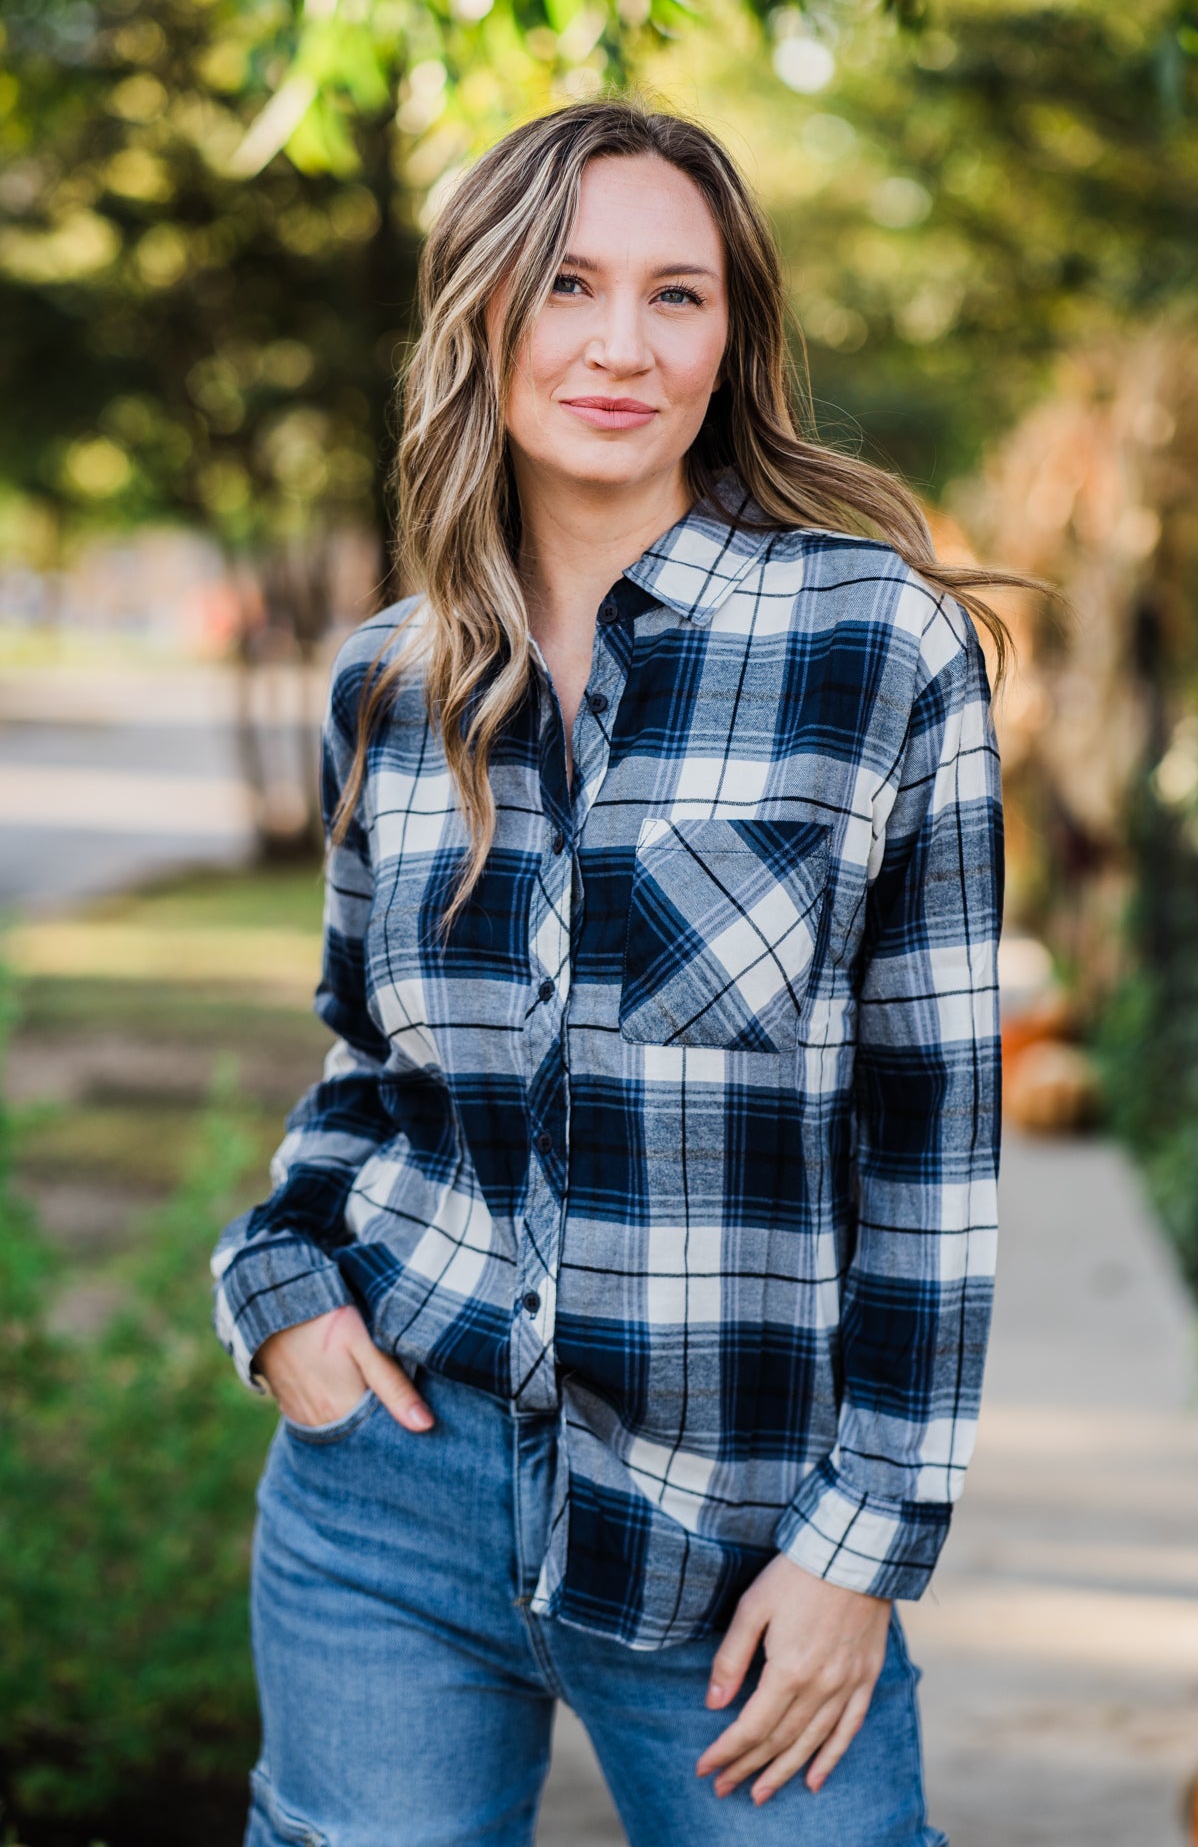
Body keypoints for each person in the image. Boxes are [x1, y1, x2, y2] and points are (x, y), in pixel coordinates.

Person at [211, 98, 1010, 1847]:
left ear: (733, 343)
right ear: (483, 317)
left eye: (678, 296)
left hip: (733, 1544)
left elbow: (931, 1144)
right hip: (388, 1499)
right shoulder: (387, 688)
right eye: (568, 286)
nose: (620, 346)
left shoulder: (874, 649)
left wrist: (862, 1546)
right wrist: (279, 1296)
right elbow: (367, 1078)